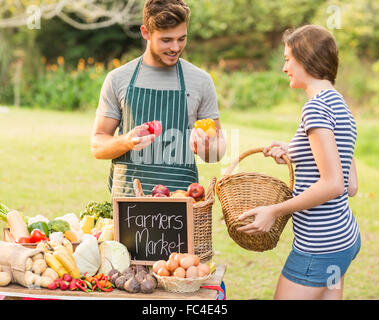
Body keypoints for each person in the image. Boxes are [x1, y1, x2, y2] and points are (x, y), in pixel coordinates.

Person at [237, 25, 361, 300]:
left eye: (287, 59)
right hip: (343, 241)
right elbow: (350, 184)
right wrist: (294, 151)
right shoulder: (340, 105)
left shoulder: (315, 108)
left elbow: (333, 184)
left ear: (306, 59)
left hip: (318, 247)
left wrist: (274, 211)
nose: (284, 68)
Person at [91, 0, 226, 197]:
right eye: (166, 40)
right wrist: (127, 141)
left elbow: (217, 151)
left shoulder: (201, 81)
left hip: (181, 205)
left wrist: (206, 147)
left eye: (182, 39)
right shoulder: (118, 79)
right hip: (128, 203)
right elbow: (97, 146)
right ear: (145, 32)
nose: (175, 47)